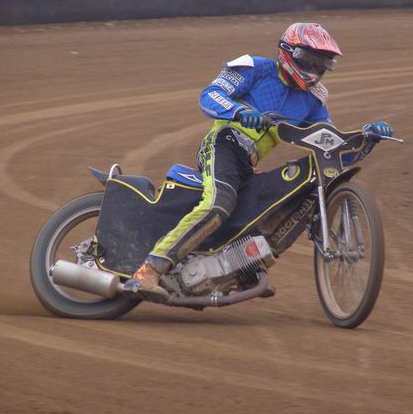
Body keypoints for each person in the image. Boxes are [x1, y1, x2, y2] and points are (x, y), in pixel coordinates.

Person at [125, 22, 393, 301]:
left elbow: (328, 144)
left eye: (322, 62)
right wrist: (239, 112)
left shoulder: (314, 99)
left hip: (248, 165)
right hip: (223, 144)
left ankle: (240, 268)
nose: (314, 68)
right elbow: (209, 95)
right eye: (308, 59)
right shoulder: (254, 68)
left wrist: (366, 139)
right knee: (219, 204)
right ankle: (149, 270)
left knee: (276, 205)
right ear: (287, 52)